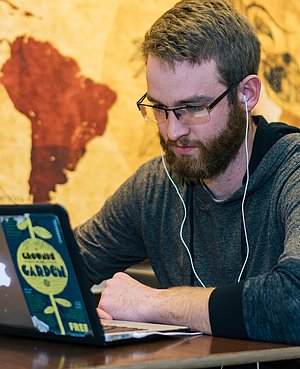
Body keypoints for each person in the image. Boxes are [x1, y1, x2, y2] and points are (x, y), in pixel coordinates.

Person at [74, 0, 300, 347]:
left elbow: (293, 303)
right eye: (160, 109)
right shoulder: (155, 188)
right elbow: (57, 270)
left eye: (193, 108)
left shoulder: (293, 171)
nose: (172, 131)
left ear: (247, 94)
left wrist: (152, 304)